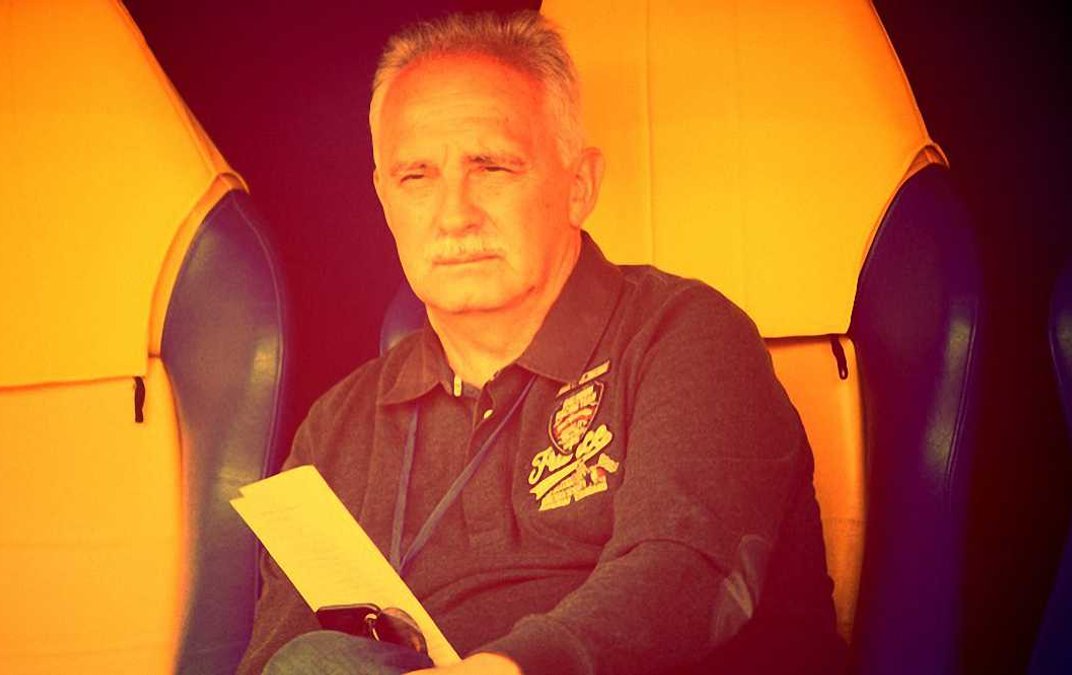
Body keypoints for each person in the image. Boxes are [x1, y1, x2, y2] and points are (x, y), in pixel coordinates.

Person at [238, 10, 844, 675]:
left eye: (493, 168)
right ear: (384, 199)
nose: (454, 215)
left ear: (579, 186)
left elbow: (683, 574)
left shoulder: (686, 337)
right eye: (417, 177)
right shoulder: (336, 430)